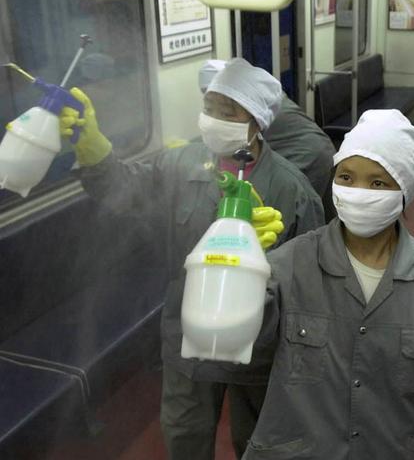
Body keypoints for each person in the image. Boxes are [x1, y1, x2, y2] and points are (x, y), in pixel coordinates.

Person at [59, 58, 325, 460]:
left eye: (228, 111)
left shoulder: (292, 189)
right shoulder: (179, 165)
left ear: (256, 122)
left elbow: (310, 282)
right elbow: (126, 192)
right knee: (184, 434)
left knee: (259, 441)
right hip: (189, 336)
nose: (213, 118)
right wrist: (94, 150)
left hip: (258, 344)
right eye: (209, 106)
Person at [242, 110, 414, 460]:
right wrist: (240, 263)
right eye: (347, 177)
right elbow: (239, 343)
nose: (358, 192)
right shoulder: (289, 264)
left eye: (378, 183)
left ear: (405, 192)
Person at [199, 59, 336, 200]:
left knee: (286, 198)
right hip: (292, 147)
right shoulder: (252, 102)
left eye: (226, 113)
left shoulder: (261, 107)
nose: (214, 120)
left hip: (309, 153)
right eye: (208, 108)